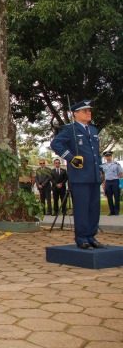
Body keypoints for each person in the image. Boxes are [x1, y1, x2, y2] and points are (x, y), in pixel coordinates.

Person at [50, 99, 104, 249]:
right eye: (85, 111)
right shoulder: (70, 129)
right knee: (82, 208)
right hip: (80, 176)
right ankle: (82, 238)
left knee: (94, 208)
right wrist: (71, 158)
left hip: (93, 175)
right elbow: (55, 144)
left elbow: (96, 153)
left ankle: (91, 236)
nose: (89, 113)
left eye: (89, 110)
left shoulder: (93, 130)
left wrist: (100, 168)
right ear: (75, 114)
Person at [101, 151, 122, 216]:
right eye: (106, 156)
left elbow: (121, 174)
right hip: (108, 182)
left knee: (116, 196)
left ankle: (116, 211)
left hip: (115, 181)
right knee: (109, 197)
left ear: (111, 156)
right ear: (105, 157)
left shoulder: (116, 164)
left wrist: (120, 182)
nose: (108, 157)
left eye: (109, 155)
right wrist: (103, 183)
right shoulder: (103, 165)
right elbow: (102, 174)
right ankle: (111, 211)